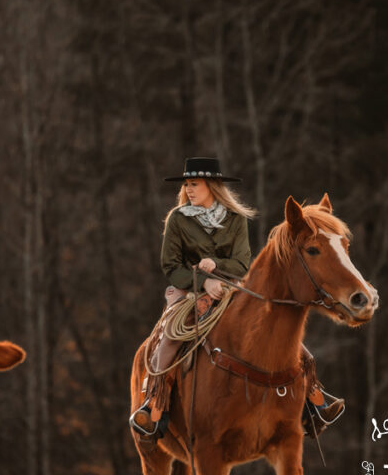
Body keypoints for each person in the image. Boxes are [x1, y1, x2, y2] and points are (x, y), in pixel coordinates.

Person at [130, 157, 344, 441]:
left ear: (212, 186)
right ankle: (153, 406)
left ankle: (315, 400)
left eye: (195, 183)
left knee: (282, 337)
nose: (189, 188)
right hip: (187, 290)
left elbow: (243, 263)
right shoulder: (178, 219)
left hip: (232, 287)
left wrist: (216, 269)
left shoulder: (235, 218)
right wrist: (203, 280)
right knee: (170, 336)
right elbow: (171, 266)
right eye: (187, 184)